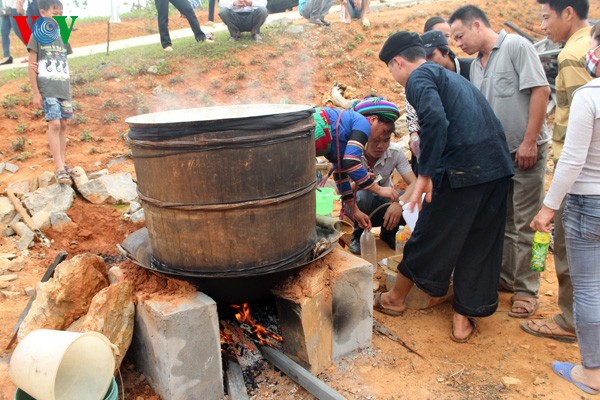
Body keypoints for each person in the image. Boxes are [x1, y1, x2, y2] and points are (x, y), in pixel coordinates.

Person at [375, 32, 514, 342]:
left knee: (430, 233)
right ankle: (463, 319)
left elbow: (435, 121)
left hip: (464, 169)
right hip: (497, 167)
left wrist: (425, 173)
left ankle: (395, 300)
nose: (395, 77)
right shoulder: (452, 78)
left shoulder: (419, 77)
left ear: (398, 62)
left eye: (391, 69)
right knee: (481, 242)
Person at [449, 5, 551, 319]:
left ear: (477, 25)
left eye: (460, 36)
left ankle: (527, 289)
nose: (458, 44)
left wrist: (529, 141)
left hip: (525, 153)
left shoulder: (517, 47)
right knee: (503, 222)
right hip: (497, 158)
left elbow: (541, 90)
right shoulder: (476, 66)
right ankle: (508, 277)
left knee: (529, 224)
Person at [530, 23, 600, 394]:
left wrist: (548, 208)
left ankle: (592, 372)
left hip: (588, 202)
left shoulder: (590, 95)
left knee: (588, 290)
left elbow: (572, 161)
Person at [521, 0, 591, 343]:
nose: (543, 26)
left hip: (578, 170)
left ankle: (570, 320)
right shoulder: (587, 43)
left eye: (547, 17)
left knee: (568, 245)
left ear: (568, 13)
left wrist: (553, 198)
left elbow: (584, 121)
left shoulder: (573, 56)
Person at [314, 101, 401, 230]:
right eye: (383, 130)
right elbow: (351, 161)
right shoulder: (362, 122)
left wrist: (355, 211)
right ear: (373, 119)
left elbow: (340, 175)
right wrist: (379, 189)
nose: (382, 136)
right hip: (306, 131)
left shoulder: (342, 136)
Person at [347, 99, 417, 254]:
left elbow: (414, 183)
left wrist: (399, 203)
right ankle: (358, 235)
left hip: (382, 204)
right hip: (355, 207)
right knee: (363, 196)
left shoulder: (395, 153)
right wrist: (360, 183)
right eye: (375, 140)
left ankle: (389, 232)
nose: (381, 146)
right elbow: (343, 191)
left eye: (386, 140)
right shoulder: (352, 154)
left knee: (408, 201)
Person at [27, 0, 78, 185]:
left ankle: (63, 164)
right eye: (54, 13)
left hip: (63, 88)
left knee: (63, 124)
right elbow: (32, 65)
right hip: (47, 88)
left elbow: (63, 61)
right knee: (54, 124)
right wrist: (35, 92)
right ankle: (58, 166)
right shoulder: (38, 36)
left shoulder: (63, 35)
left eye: (61, 13)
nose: (58, 17)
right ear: (42, 12)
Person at [1, 0, 25, 65]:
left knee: (19, 31)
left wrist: (20, 3)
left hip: (15, 6)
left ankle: (35, 51)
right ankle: (7, 56)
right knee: (4, 31)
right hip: (6, 8)